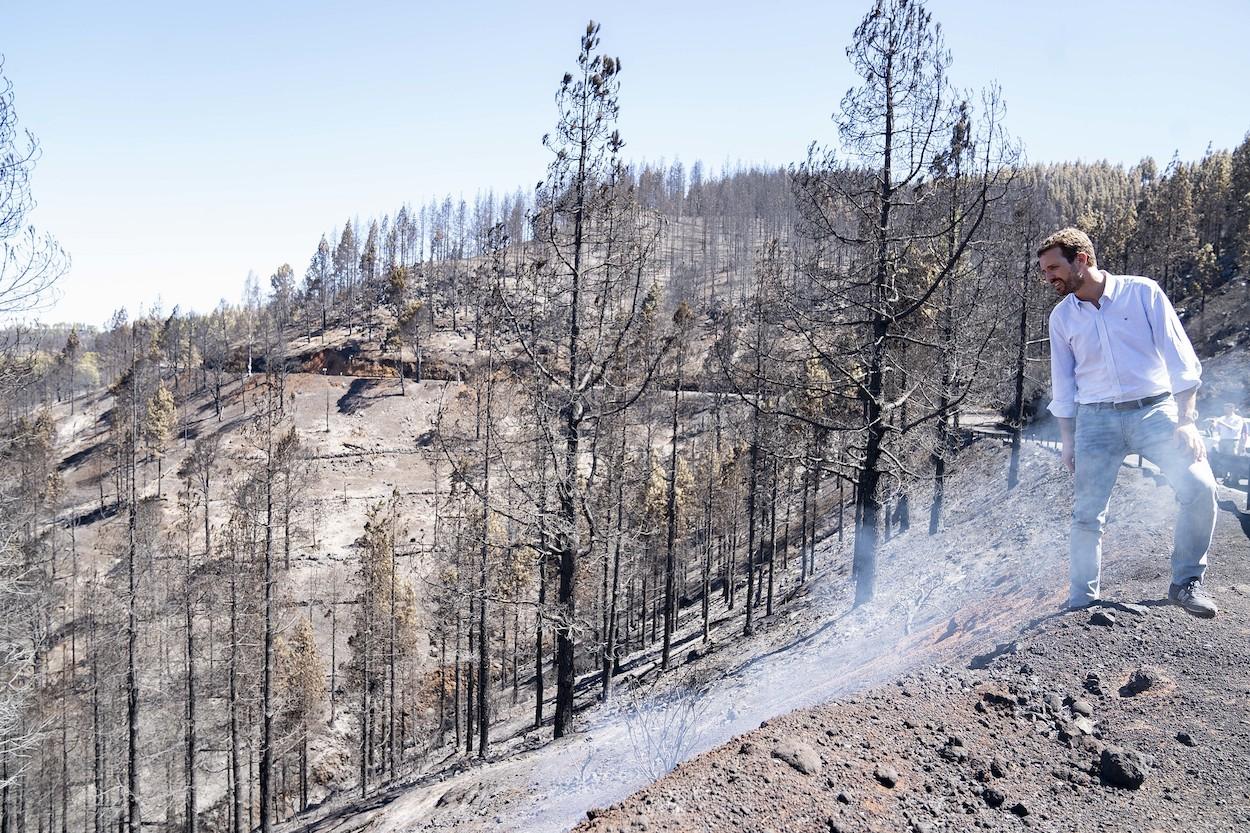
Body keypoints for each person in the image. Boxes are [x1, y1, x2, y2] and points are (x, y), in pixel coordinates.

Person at [1041, 228, 1218, 618]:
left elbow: (1181, 360)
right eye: (1044, 270)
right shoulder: (1062, 318)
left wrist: (1186, 421)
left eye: (1054, 267)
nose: (1048, 276)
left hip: (1155, 411)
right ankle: (1081, 602)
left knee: (1201, 487)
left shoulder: (1143, 293)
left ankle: (1186, 582)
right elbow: (1064, 384)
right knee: (1087, 515)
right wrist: (1068, 440)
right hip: (1095, 421)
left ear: (1082, 260)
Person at [1210, 403, 1245, 482]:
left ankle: (1233, 478)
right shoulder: (1222, 418)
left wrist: (1223, 424)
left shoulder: (1238, 418)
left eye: (1227, 409)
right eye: (1224, 409)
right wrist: (1214, 425)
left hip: (1233, 441)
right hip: (1222, 440)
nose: (1225, 410)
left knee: (1232, 459)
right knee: (1223, 460)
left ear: (1232, 409)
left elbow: (1235, 429)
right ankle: (1224, 477)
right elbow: (1217, 430)